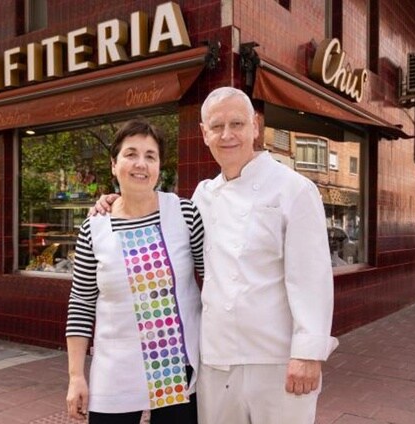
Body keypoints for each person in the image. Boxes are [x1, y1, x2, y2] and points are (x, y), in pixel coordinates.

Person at [94, 87, 338, 423]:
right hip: (216, 361)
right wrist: (113, 204)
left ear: (255, 126)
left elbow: (311, 278)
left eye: (237, 124)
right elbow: (155, 216)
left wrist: (308, 354)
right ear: (204, 133)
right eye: (217, 126)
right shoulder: (202, 196)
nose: (227, 135)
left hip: (277, 359)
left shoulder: (294, 189)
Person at [65, 119, 204, 424]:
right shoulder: (94, 227)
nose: (140, 164)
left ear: (159, 166)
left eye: (150, 156)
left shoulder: (184, 213)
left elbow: (213, 283)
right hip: (115, 370)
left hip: (174, 370)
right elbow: (81, 303)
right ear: (114, 165)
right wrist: (76, 376)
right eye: (131, 154)